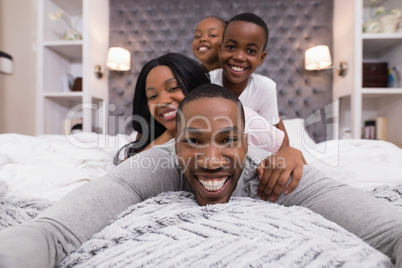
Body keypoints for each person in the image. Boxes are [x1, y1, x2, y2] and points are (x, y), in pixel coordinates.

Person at [0, 84, 401, 268]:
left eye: (228, 141)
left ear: (247, 143)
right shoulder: (155, 165)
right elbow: (53, 232)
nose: (211, 160)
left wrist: (289, 151)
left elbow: (387, 229)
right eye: (194, 140)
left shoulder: (273, 169)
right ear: (175, 144)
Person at [115, 53, 285, 165]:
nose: (162, 101)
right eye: (152, 97)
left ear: (195, 86)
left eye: (174, 88)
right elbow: (126, 172)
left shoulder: (241, 117)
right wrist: (169, 134)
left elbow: (284, 149)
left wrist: (291, 155)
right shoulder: (156, 136)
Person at [209, 12, 290, 146]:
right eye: (231, 47)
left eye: (251, 51)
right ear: (220, 49)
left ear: (261, 58)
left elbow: (273, 139)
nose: (239, 57)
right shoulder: (207, 80)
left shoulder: (266, 87)